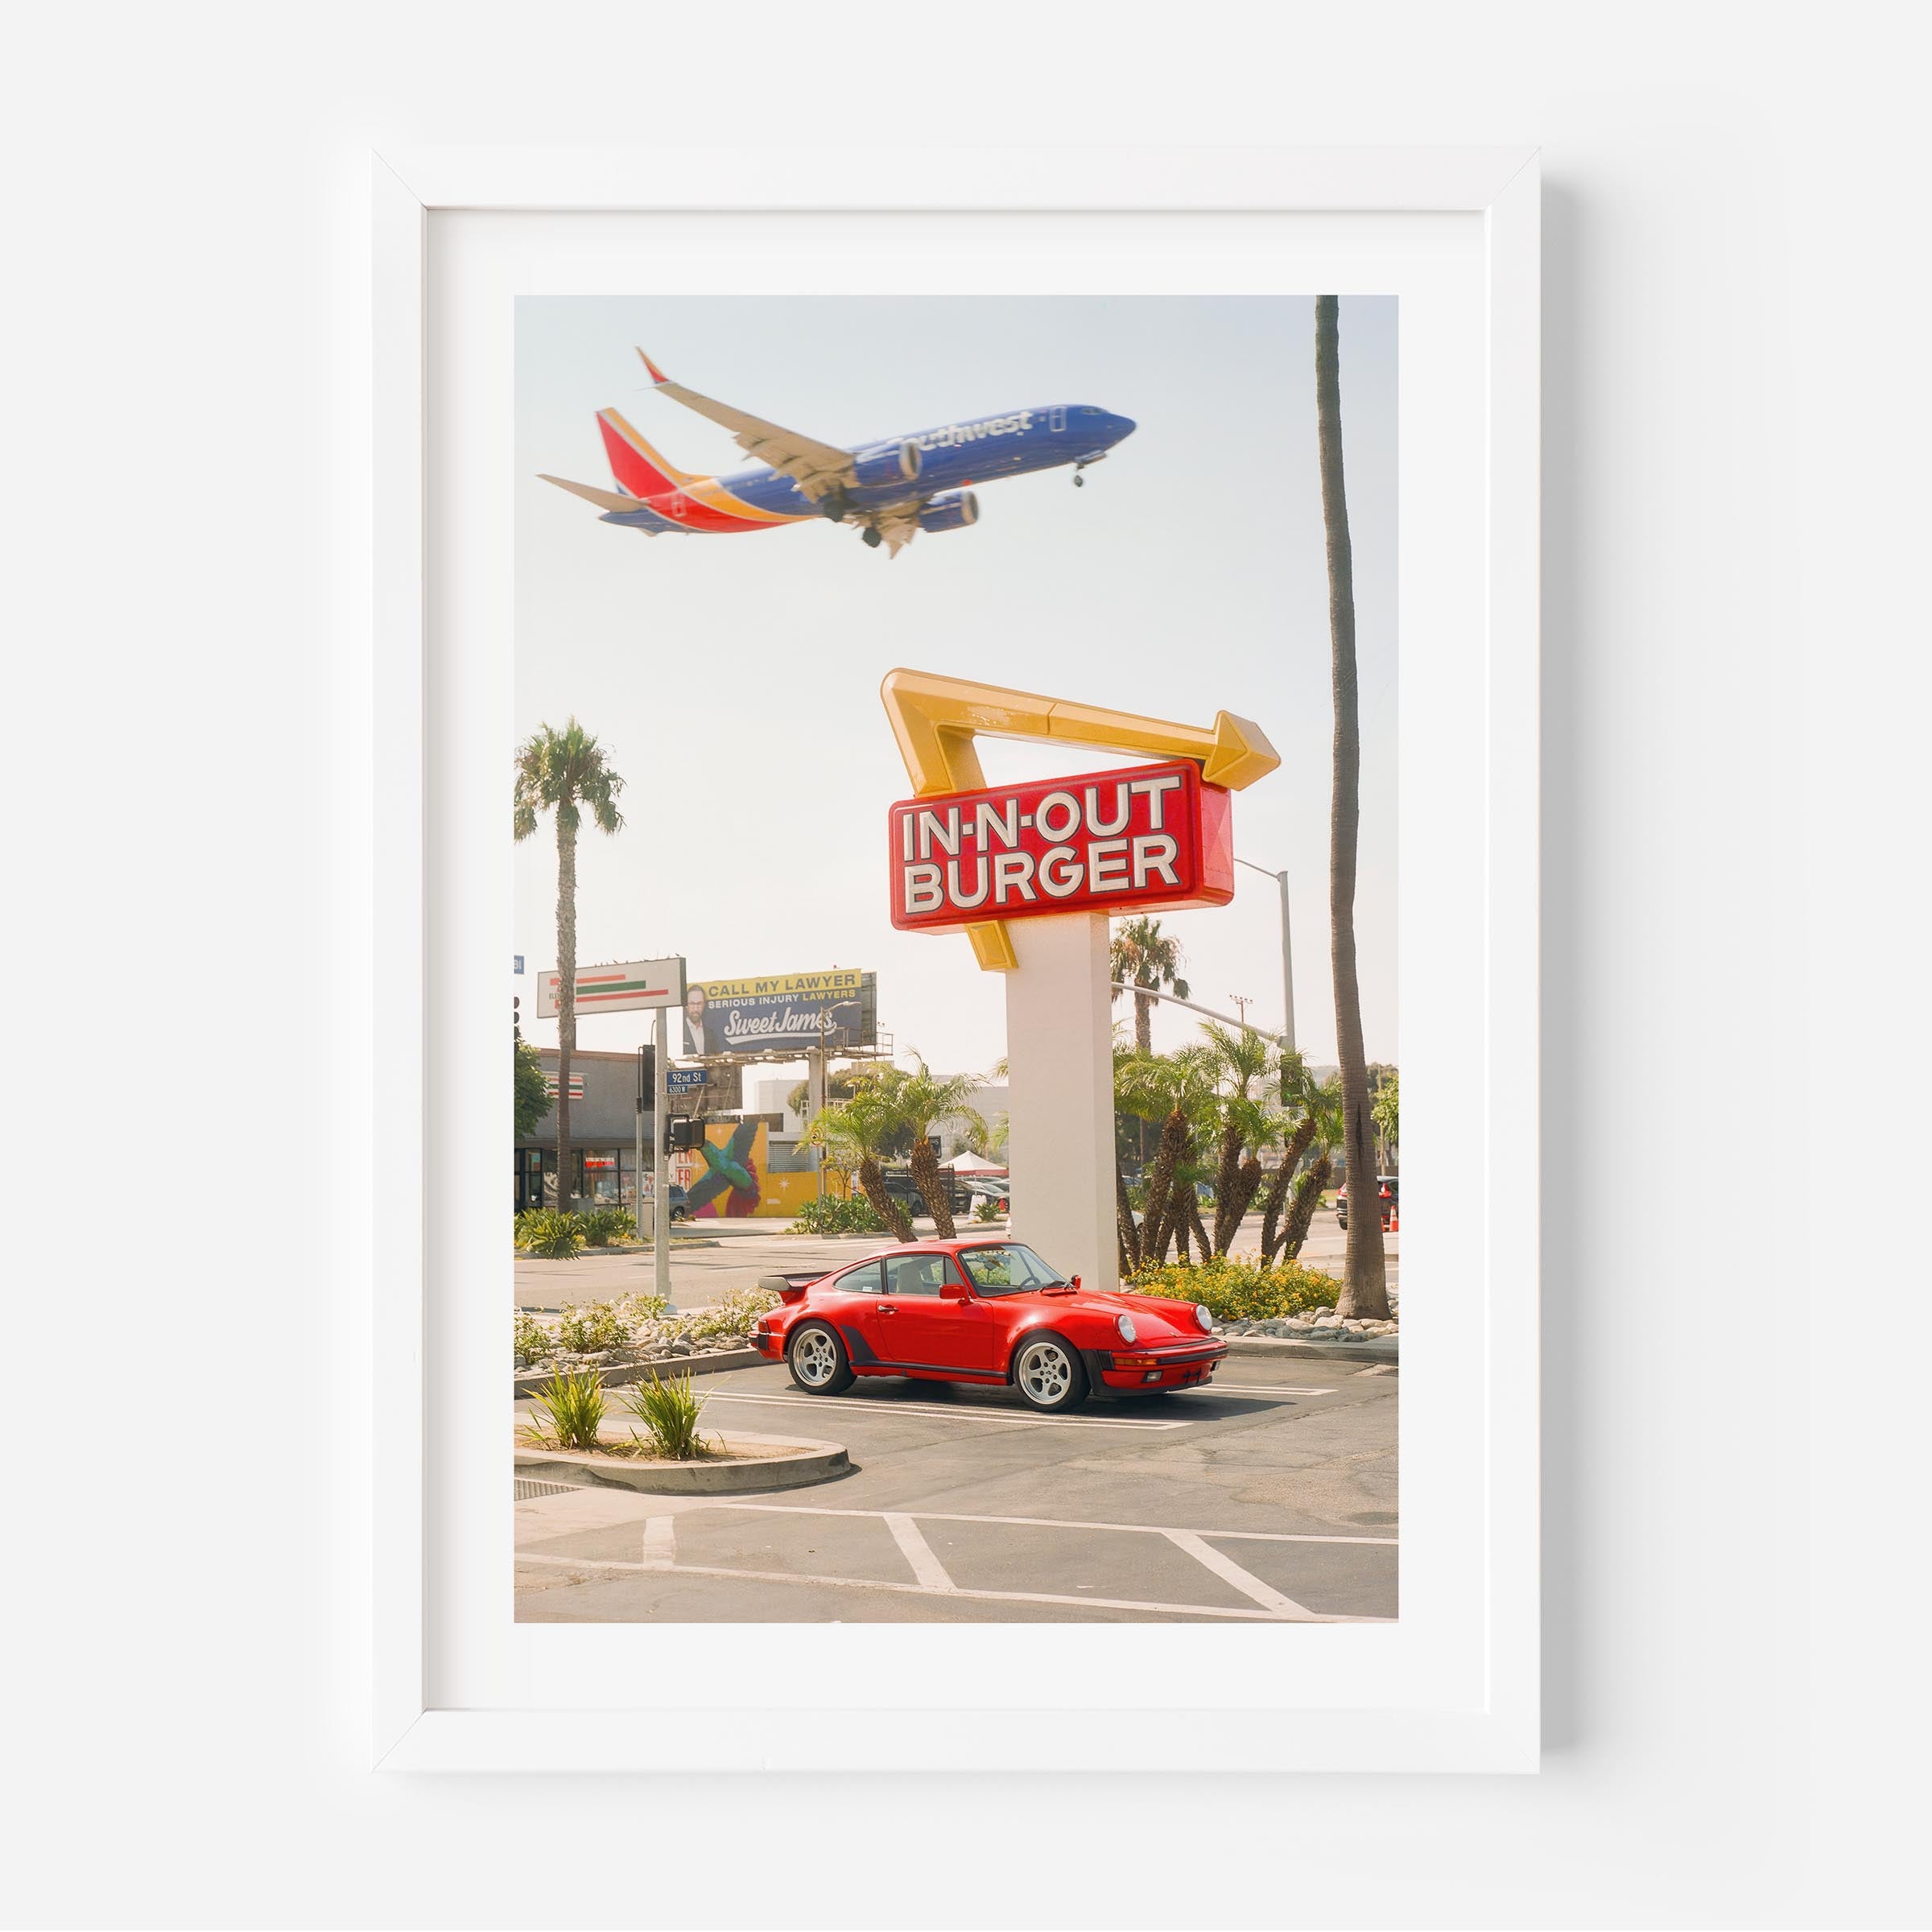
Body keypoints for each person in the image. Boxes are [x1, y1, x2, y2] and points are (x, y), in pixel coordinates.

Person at [683, 983, 720, 1056]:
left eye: (699, 1004)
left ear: (704, 1005)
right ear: (686, 1005)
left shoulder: (711, 1034)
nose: (696, 1009)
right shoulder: (679, 1031)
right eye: (692, 1004)